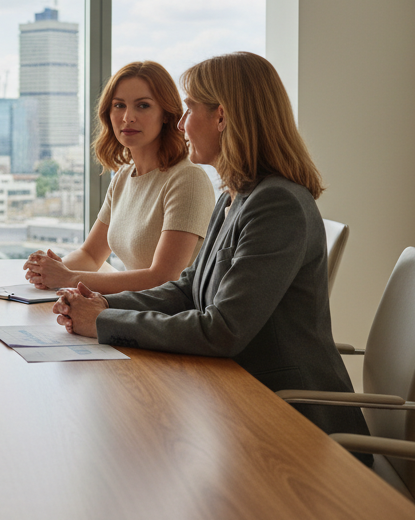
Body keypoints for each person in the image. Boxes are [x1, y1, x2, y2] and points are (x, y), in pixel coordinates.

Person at [52, 51, 372, 452]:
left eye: (189, 110)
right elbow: (187, 289)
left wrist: (105, 320)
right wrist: (102, 303)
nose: (182, 125)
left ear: (221, 117)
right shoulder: (235, 196)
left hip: (293, 421)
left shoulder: (278, 205)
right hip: (238, 398)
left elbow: (223, 330)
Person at [23, 61, 214, 293]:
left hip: (167, 320)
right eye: (119, 105)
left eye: (143, 106)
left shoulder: (187, 179)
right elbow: (91, 255)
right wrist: (51, 268)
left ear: (166, 114)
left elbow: (164, 278)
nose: (127, 117)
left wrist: (68, 278)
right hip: (133, 310)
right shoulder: (124, 176)